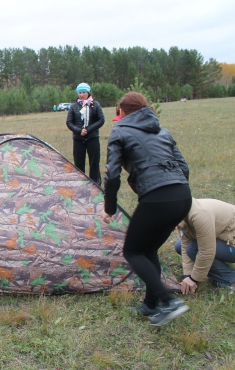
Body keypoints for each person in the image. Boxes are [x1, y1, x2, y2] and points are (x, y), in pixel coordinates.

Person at [100, 91, 192, 327]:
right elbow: (183, 167)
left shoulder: (119, 131)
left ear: (122, 112)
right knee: (149, 249)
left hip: (158, 199)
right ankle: (151, 304)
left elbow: (112, 175)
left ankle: (168, 302)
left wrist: (109, 208)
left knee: (133, 252)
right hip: (183, 196)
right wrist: (173, 206)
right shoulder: (163, 131)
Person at [174, 198, 235, 294]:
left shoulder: (200, 215)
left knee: (193, 248)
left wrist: (194, 279)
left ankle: (230, 278)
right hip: (223, 239)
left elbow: (207, 251)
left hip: (232, 240)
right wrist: (187, 276)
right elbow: (185, 242)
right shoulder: (180, 213)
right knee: (179, 246)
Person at [66, 83, 106, 185]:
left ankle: (95, 184)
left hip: (93, 138)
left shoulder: (95, 105)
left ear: (88, 92)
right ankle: (81, 184)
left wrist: (88, 130)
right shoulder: (73, 106)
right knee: (79, 163)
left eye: (84, 92)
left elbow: (101, 120)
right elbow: (69, 122)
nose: (82, 94)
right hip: (78, 139)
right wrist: (79, 131)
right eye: (80, 92)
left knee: (94, 163)